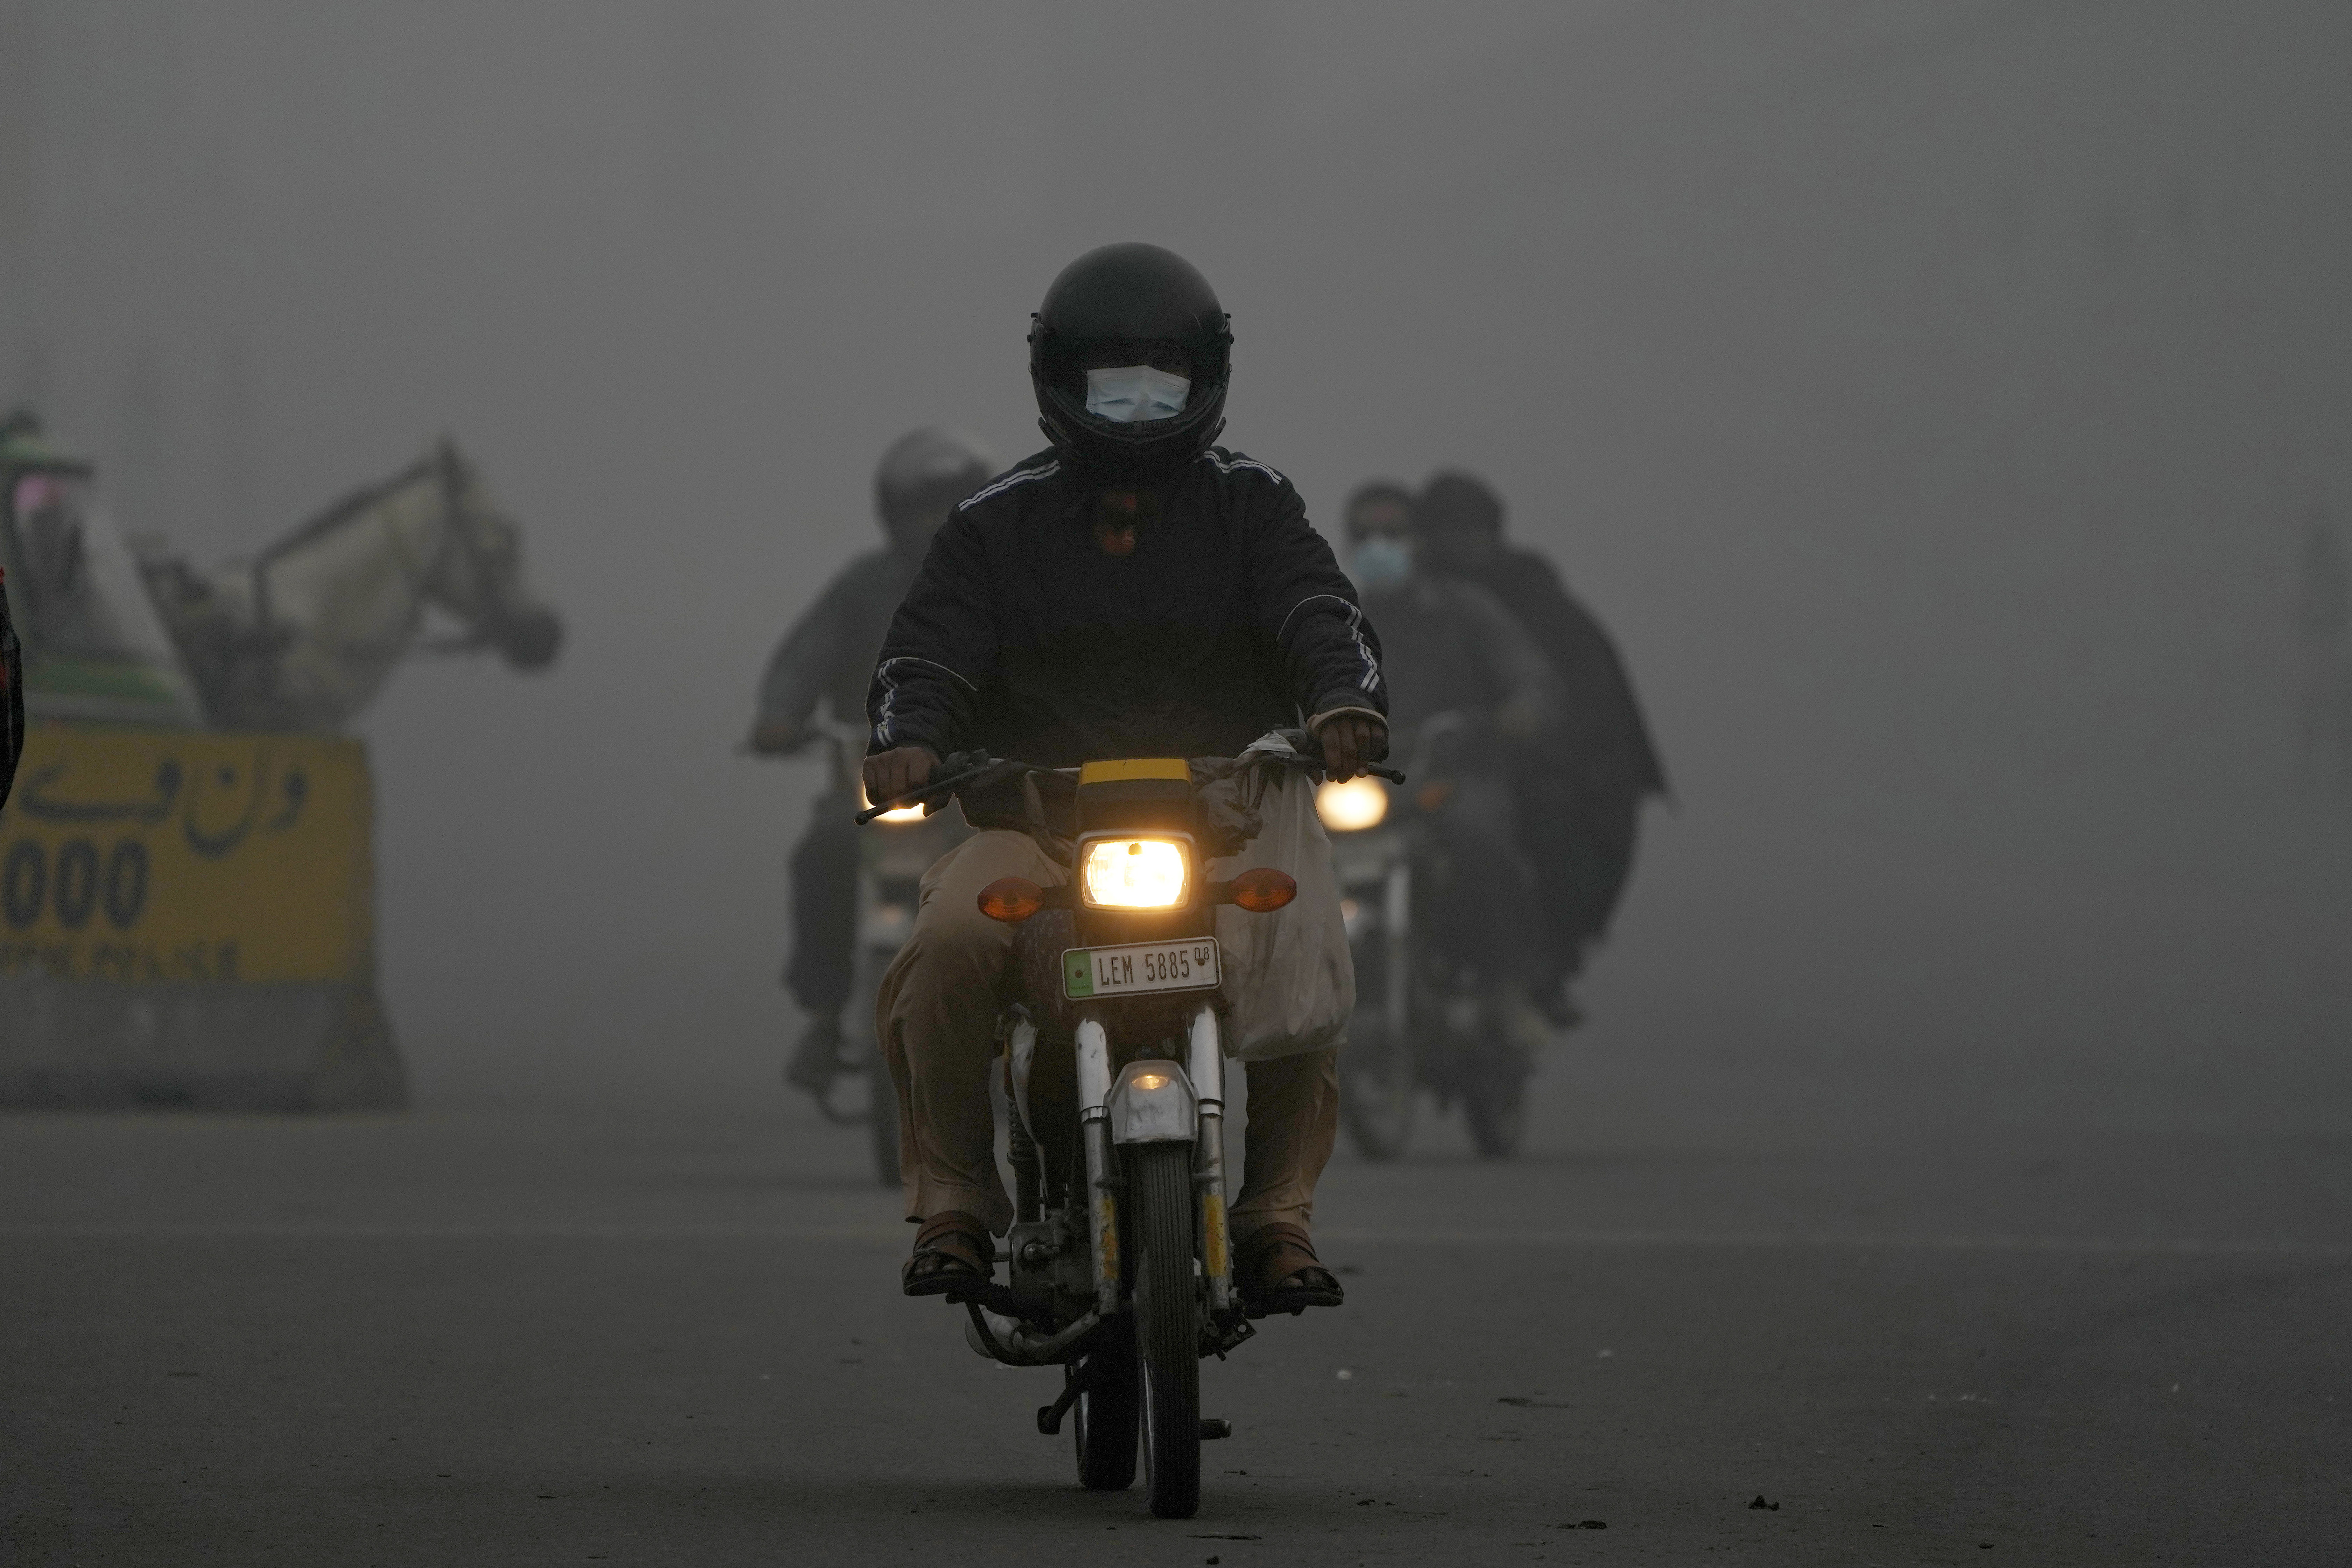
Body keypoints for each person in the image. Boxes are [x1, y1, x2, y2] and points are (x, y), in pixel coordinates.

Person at [860, 242, 1387, 1311]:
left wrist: (1342, 702)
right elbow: (927, 654)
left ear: (1207, 380)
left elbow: (1317, 612)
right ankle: (955, 1200)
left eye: (1163, 385)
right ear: (1059, 381)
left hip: (1237, 811)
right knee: (950, 942)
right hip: (1038, 819)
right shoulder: (990, 523)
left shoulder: (1255, 506)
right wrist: (910, 736)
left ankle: (1276, 1216)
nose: (1140, 411)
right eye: (1115, 385)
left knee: (1304, 953)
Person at [747, 428, 997, 1095]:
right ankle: (827, 1015)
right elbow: (803, 659)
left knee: (1046, 862)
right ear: (892, 512)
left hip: (985, 786)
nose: (936, 524)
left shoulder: (1010, 583)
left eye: (952, 505)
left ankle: (1047, 1012)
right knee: (824, 853)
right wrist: (779, 716)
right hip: (874, 785)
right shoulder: (861, 588)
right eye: (924, 509)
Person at [1415, 471, 1667, 1017]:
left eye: (1467, 530)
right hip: (1410, 771)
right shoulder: (1398, 605)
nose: (1456, 544)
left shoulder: (1541, 609)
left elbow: (1580, 710)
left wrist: (1524, 735)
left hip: (1521, 771)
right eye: (1443, 531)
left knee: (1535, 827)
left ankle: (1529, 972)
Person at [1341, 480, 1559, 1053]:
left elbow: (1527, 675)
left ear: (1417, 542)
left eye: (1393, 533)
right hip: (1365, 787)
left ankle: (1506, 991)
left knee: (1479, 837)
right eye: (1366, 535)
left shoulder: (1464, 609)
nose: (1379, 545)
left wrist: (1522, 709)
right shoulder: (1336, 620)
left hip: (1452, 778)